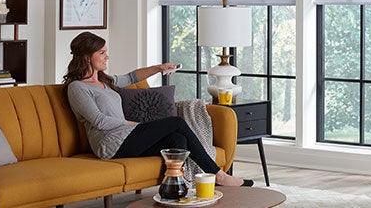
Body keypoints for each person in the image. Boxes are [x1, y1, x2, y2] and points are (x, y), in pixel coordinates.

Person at [63, 31, 251, 187]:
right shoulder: (77, 87)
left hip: (128, 136)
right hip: (110, 144)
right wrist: (131, 123)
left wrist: (159, 68)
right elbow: (99, 121)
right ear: (88, 56)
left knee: (177, 138)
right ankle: (218, 175)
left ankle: (175, 186)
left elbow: (130, 78)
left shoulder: (105, 80)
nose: (107, 56)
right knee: (176, 122)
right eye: (102, 53)